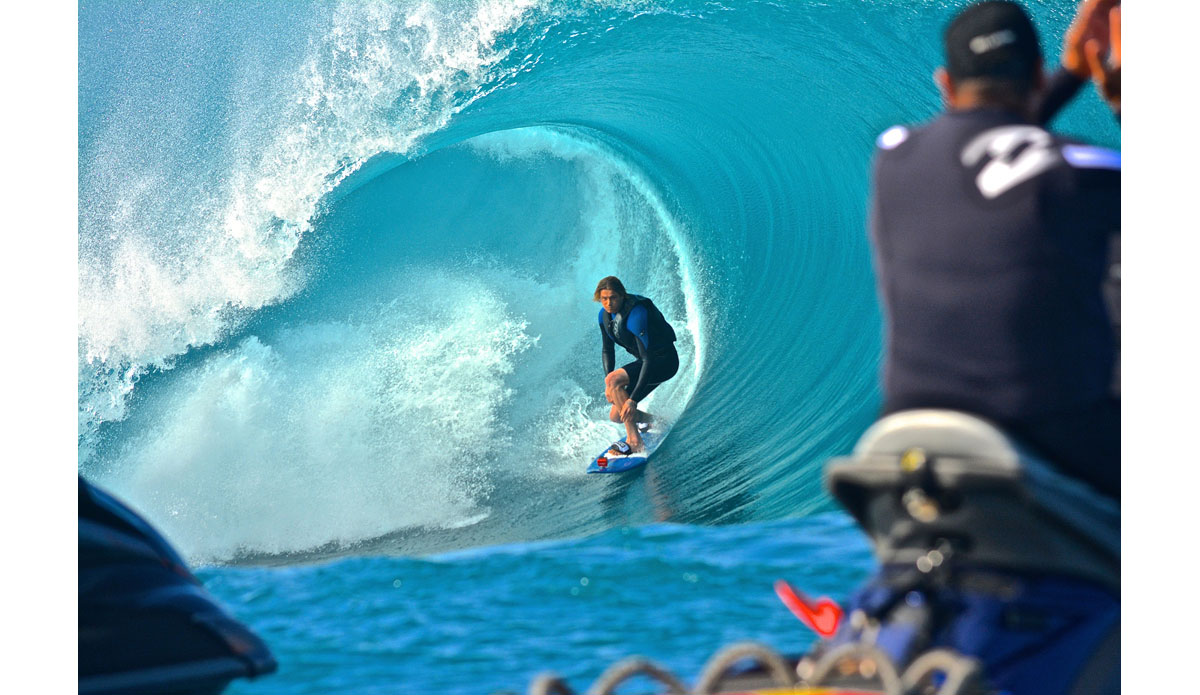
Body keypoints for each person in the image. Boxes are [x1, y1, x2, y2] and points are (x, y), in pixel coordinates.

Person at [868, 0, 1121, 499]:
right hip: (1054, 444)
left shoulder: (894, 157)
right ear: (1034, 75)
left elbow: (987, 155)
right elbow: (1021, 154)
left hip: (905, 445)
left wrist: (1069, 75)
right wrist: (1118, 102)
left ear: (945, 84)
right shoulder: (1092, 174)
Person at [594, 276, 679, 455]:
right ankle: (654, 421)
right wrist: (609, 386)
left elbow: (648, 359)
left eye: (613, 298)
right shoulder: (604, 316)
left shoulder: (636, 314)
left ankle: (634, 441)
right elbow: (607, 350)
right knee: (616, 416)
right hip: (645, 363)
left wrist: (632, 400)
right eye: (604, 299)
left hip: (664, 361)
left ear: (622, 296)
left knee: (615, 381)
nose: (609, 303)